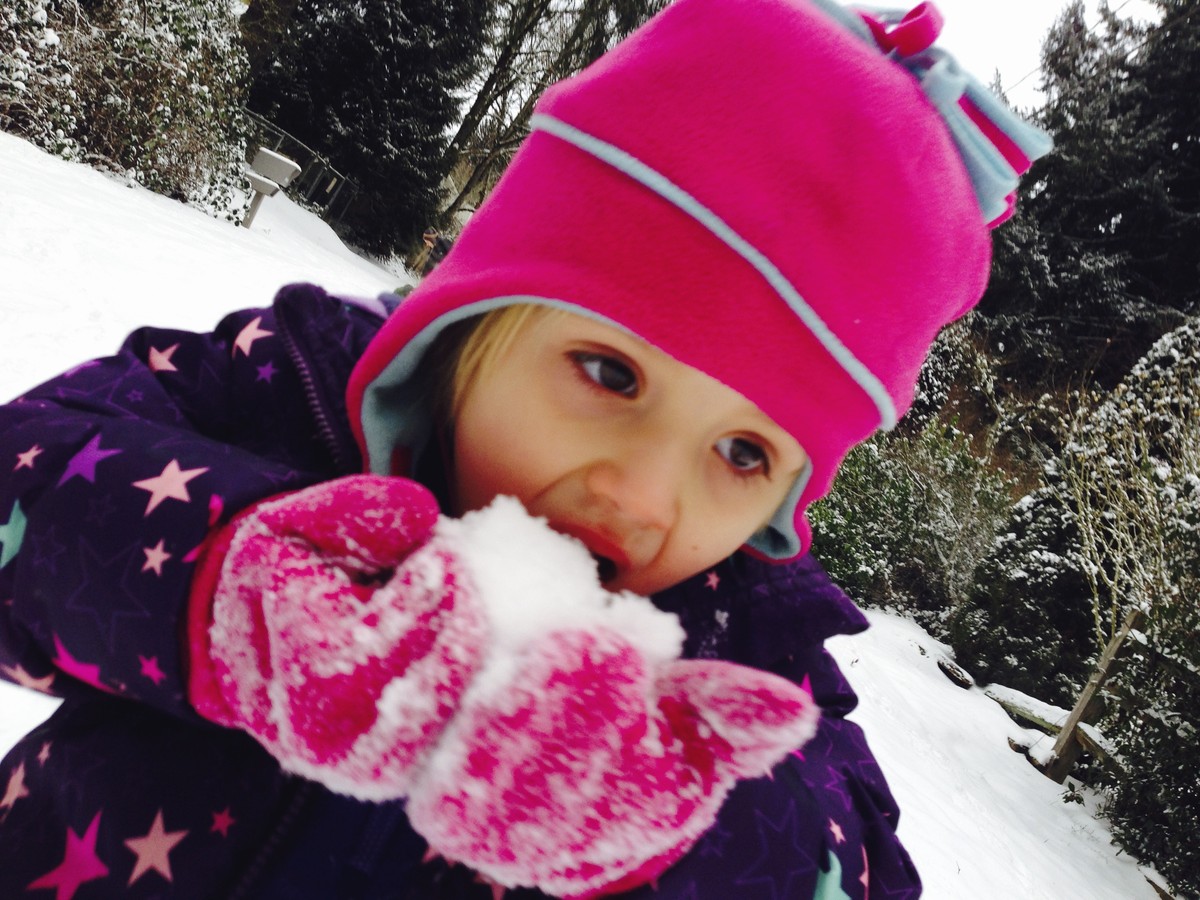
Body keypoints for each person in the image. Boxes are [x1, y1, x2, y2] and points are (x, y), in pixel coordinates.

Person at [0, 0, 1051, 897]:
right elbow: (28, 475)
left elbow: (850, 856)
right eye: (610, 374)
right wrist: (226, 589)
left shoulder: (741, 647)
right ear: (479, 320)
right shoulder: (291, 391)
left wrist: (679, 828)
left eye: (742, 454)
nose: (643, 495)